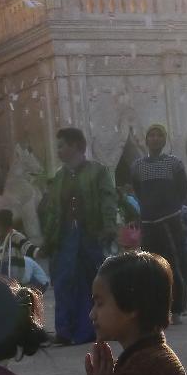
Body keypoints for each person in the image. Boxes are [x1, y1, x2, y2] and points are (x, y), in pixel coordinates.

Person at [39, 128, 117, 345]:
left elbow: (108, 200)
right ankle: (64, 331)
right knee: (64, 283)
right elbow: (53, 212)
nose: (59, 151)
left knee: (91, 282)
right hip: (65, 238)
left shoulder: (98, 172)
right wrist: (48, 239)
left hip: (89, 234)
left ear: (75, 146)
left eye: (62, 146)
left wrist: (109, 226)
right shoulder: (59, 177)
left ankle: (89, 330)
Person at [128, 124, 187, 321]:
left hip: (170, 221)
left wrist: (171, 208)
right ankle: (157, 309)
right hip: (148, 222)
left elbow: (182, 190)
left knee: (173, 263)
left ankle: (177, 308)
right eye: (151, 135)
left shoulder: (175, 163)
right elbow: (138, 190)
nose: (155, 139)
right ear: (145, 140)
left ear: (164, 140)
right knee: (151, 266)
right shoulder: (137, 166)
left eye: (159, 135)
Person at [0, 208, 37, 276]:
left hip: (14, 281)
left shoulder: (16, 237)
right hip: (0, 281)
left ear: (1, 224)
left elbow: (29, 249)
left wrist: (41, 252)